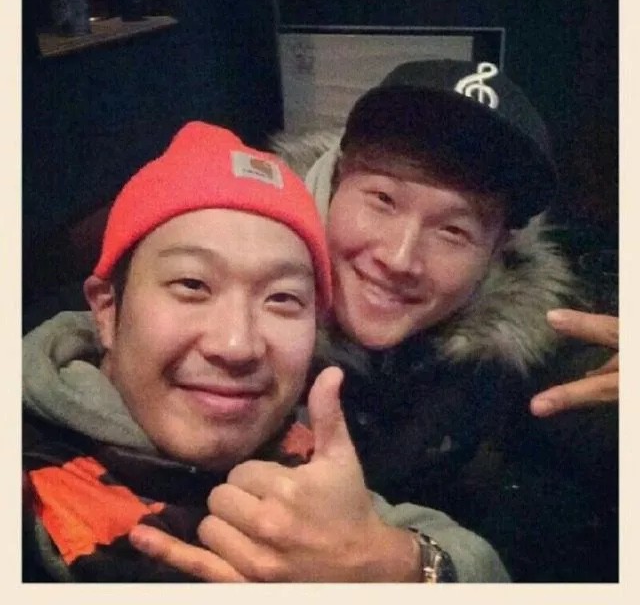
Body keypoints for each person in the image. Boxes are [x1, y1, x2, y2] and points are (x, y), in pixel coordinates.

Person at [131, 60, 618, 582]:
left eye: (453, 231)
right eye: (383, 200)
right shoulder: (224, 282)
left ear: (497, 250)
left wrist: (406, 567)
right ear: (336, 180)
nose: (400, 258)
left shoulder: (545, 353)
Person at [22, 120, 509, 582]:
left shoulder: (302, 459)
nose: (237, 345)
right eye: (192, 284)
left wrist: (399, 569)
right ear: (107, 309)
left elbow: (473, 560)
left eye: (282, 299)